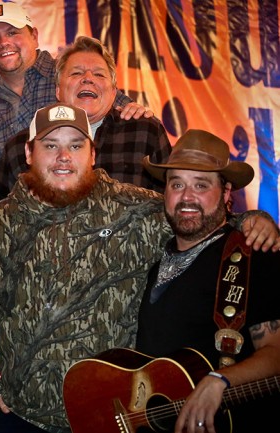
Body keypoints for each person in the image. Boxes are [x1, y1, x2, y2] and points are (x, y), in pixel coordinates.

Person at [0, 104, 280, 433]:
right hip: (21, 417)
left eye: (76, 146)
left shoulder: (134, 209)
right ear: (29, 153)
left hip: (115, 416)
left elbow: (195, 218)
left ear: (92, 154)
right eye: (51, 146)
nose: (64, 157)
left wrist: (252, 221)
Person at [135, 129, 280, 433]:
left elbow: (276, 351)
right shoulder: (155, 260)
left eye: (201, 185)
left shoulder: (254, 255)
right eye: (177, 184)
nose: (187, 197)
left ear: (227, 193)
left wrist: (220, 380)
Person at [0, 35, 172, 203]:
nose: (87, 78)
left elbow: (171, 206)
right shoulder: (19, 148)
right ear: (58, 91)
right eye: (76, 73)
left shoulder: (145, 132)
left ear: (113, 92)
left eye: (99, 74)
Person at [0, 2, 149, 163]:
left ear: (34, 36)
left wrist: (137, 111)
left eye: (13, 32)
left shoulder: (74, 78)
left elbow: (127, 114)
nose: (4, 42)